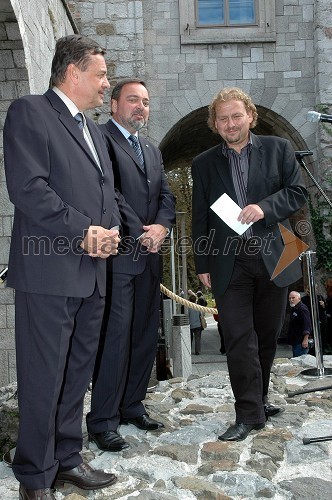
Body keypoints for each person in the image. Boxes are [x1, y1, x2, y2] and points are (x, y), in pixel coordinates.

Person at [3, 35, 121, 500]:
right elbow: (28, 188)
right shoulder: (30, 112)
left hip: (93, 272)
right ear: (73, 72)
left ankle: (68, 458)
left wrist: (109, 232)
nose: (105, 83)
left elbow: (104, 192)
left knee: (77, 373)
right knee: (42, 375)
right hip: (48, 272)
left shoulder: (92, 129)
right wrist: (82, 231)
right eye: (101, 74)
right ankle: (34, 475)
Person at [191, 87, 307, 442]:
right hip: (230, 262)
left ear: (250, 117)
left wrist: (264, 207)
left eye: (236, 116)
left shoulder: (279, 149)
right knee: (239, 338)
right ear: (215, 123)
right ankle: (248, 414)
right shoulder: (204, 163)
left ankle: (259, 398)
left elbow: (297, 193)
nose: (230, 123)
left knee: (267, 336)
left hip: (275, 255)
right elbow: (200, 217)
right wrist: (203, 262)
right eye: (222, 118)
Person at [86, 79, 175, 451]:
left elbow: (166, 194)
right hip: (120, 256)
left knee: (143, 335)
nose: (141, 107)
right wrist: (141, 229)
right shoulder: (101, 138)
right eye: (133, 100)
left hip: (150, 256)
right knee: (116, 339)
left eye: (146, 102)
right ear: (113, 104)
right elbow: (109, 189)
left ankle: (132, 405)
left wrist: (162, 226)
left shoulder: (151, 149)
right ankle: (103, 420)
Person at [301, 285, 326, 353]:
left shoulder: (320, 298)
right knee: (311, 342)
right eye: (308, 288)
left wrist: (323, 305)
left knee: (320, 341)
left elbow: (324, 310)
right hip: (309, 323)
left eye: (313, 288)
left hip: (319, 323)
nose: (310, 290)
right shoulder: (303, 299)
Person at [287, 291, 312, 356]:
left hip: (300, 342)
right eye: (289, 298)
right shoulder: (294, 308)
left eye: (293, 298)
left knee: (300, 361)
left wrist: (305, 339)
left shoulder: (302, 308)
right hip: (295, 341)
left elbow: (307, 324)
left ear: (299, 298)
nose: (291, 300)